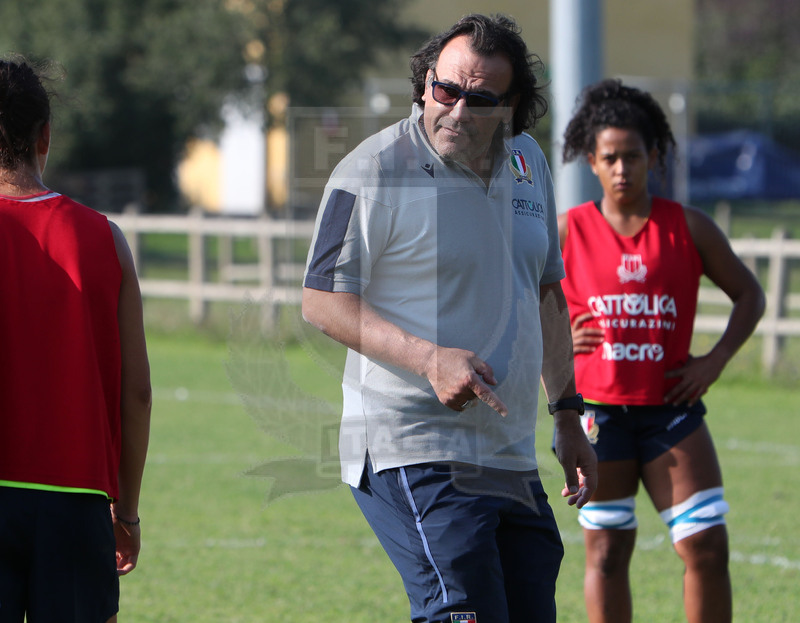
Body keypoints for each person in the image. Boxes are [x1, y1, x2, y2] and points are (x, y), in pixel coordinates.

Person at [302, 14, 597, 623]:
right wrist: (428, 358)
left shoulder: (528, 163)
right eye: (446, 90)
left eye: (482, 98)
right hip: (409, 443)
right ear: (425, 82)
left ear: (514, 108)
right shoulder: (374, 168)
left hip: (509, 451)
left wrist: (567, 415)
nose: (458, 111)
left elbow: (545, 293)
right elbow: (322, 299)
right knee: (462, 611)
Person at [558, 79, 766, 623]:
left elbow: (750, 294)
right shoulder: (566, 231)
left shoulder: (688, 226)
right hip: (598, 416)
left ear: (655, 156)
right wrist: (552, 340)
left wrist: (715, 361)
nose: (622, 168)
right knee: (606, 553)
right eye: (610, 158)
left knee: (707, 548)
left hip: (672, 410)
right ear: (591, 161)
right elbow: (513, 304)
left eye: (633, 156)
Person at [0, 56, 151, 622]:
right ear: (45, 136)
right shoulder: (104, 239)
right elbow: (137, 394)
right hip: (76, 505)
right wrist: (126, 513)